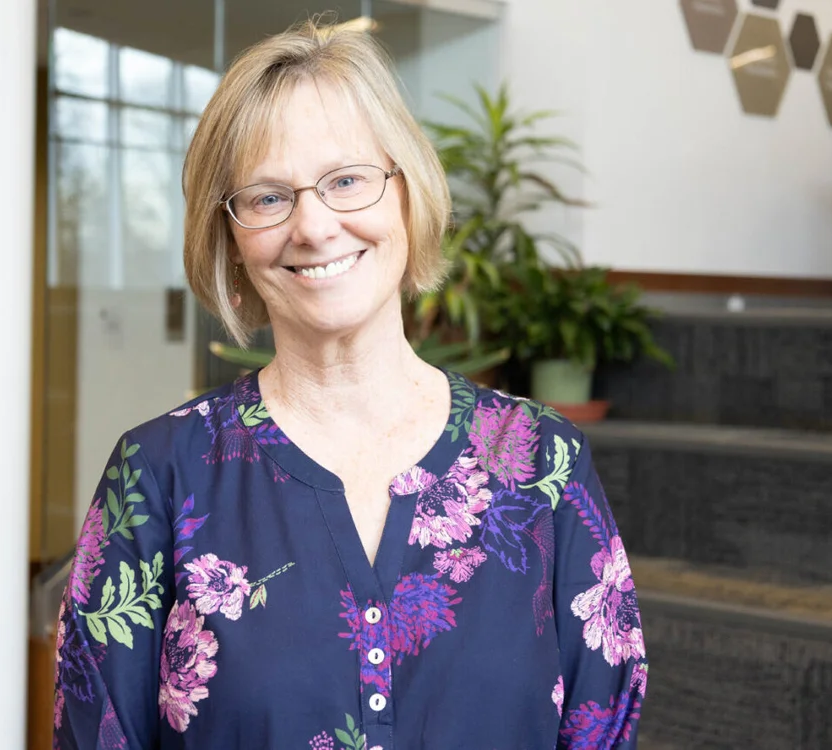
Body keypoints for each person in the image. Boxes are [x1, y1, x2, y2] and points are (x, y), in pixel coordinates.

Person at [53, 17, 647, 750]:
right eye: (268, 197)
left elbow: (604, 730)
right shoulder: (156, 477)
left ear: (407, 195)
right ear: (232, 242)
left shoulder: (545, 467)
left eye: (346, 181)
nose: (313, 225)